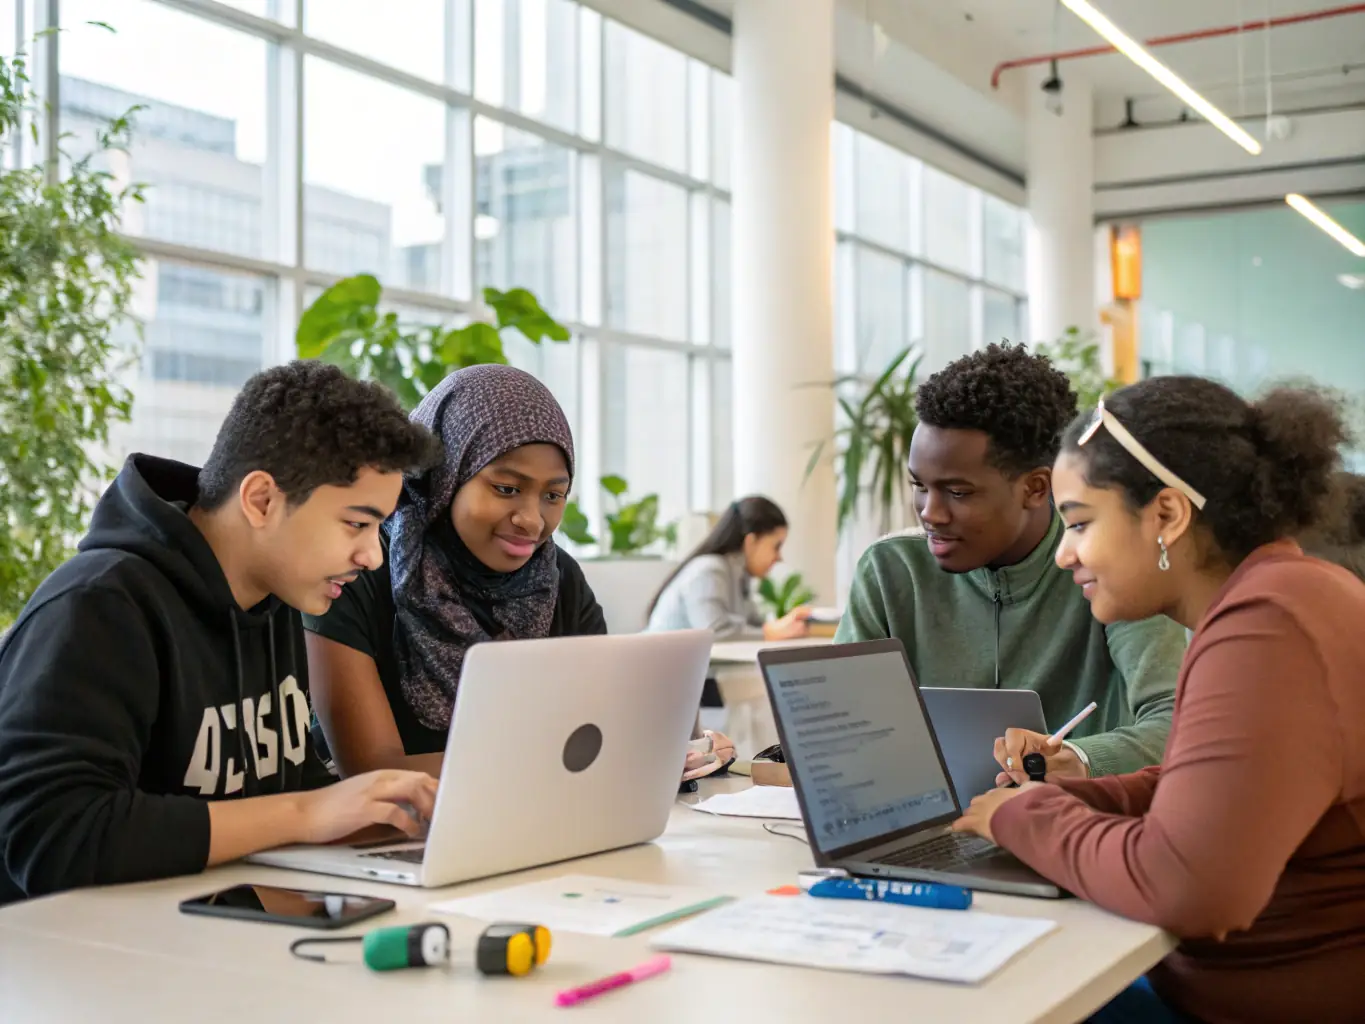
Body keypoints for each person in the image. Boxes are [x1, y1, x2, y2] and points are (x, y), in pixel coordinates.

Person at [954, 378, 1365, 1024]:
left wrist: (1021, 819)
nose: (1063, 555)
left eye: (1080, 523)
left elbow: (1187, 889)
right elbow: (1211, 789)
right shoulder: (1292, 593)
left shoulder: (1266, 625)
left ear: (1167, 515)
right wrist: (1065, 798)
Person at [0, 362, 443, 904]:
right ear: (261, 500)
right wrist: (306, 813)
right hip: (70, 963)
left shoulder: (276, 598)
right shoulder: (99, 606)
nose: (373, 555)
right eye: (357, 523)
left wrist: (389, 812)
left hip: (201, 944)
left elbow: (273, 791)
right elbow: (55, 839)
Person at [837, 344, 1186, 780]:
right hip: (927, 831)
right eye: (919, 486)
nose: (930, 512)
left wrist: (1078, 760)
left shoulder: (1109, 566)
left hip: (1072, 827)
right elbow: (839, 732)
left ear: (1037, 488)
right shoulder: (890, 573)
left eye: (958, 492)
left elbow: (1179, 719)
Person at [304, 365, 607, 779]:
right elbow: (374, 775)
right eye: (507, 489)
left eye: (554, 495)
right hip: (377, 835)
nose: (533, 521)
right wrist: (554, 760)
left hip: (532, 822)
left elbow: (602, 733)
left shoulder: (557, 579)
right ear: (446, 477)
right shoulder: (360, 569)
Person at [646, 495, 810, 641]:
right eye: (776, 546)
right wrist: (769, 632)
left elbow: (752, 625)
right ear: (751, 541)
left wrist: (783, 626)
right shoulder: (710, 570)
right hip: (660, 670)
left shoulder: (738, 577)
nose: (779, 557)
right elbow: (713, 631)